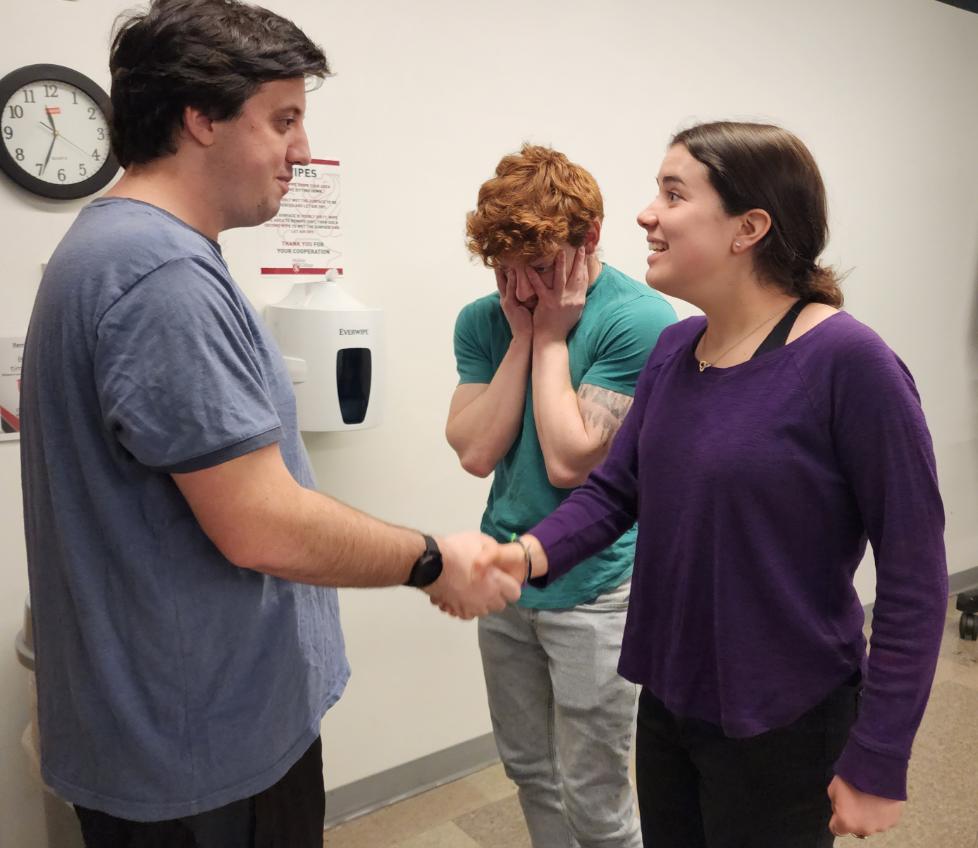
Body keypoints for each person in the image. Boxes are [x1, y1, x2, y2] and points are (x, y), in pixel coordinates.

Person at [19, 1, 520, 845]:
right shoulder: (159, 279)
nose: (303, 151)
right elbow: (259, 523)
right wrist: (432, 559)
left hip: (171, 731)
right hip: (197, 753)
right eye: (283, 120)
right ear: (200, 118)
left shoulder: (115, 250)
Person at [478, 122, 948, 847]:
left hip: (785, 713)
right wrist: (526, 557)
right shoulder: (674, 349)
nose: (646, 214)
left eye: (673, 193)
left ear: (749, 228)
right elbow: (612, 494)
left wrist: (879, 755)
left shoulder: (850, 365)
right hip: (670, 696)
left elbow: (916, 575)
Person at [446, 144, 676, 847]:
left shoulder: (640, 319)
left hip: (596, 591)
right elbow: (475, 451)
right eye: (503, 269)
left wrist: (551, 340)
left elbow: (572, 460)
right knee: (529, 770)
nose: (520, 287)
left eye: (540, 267)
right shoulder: (487, 319)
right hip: (509, 581)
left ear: (589, 242)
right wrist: (525, 336)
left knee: (595, 793)